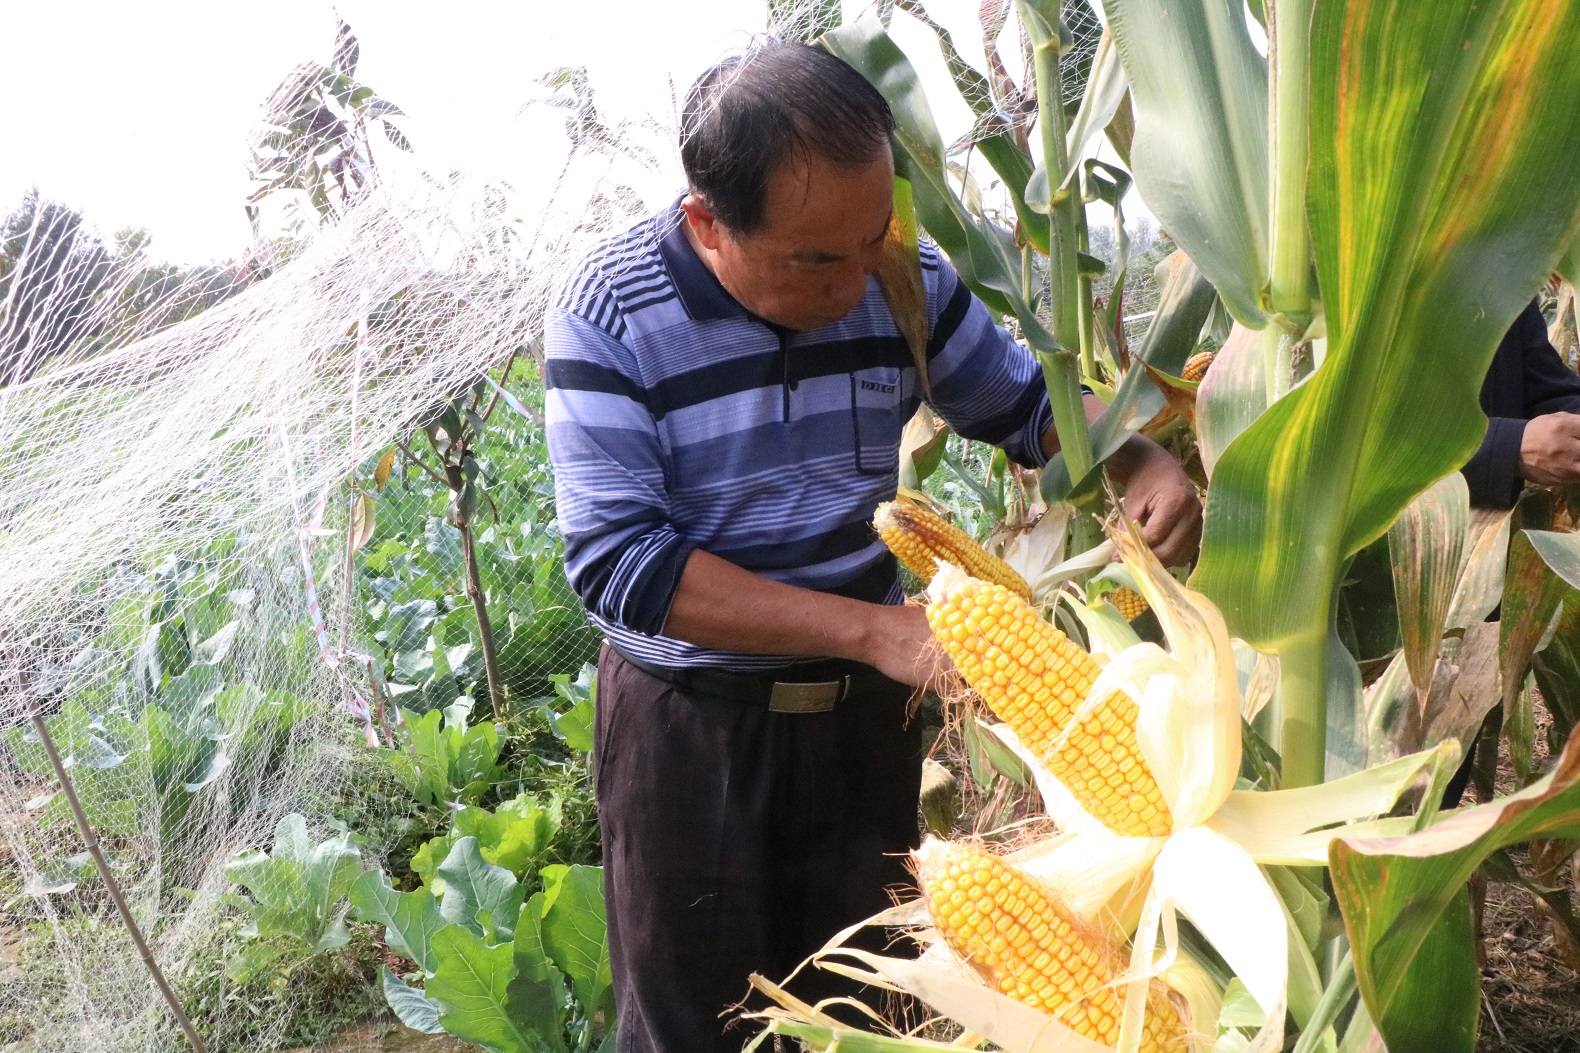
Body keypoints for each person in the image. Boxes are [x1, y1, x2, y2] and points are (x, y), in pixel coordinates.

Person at [543, 41, 1202, 1053]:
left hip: (861, 724)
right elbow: (622, 566)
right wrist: (869, 630)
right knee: (698, 1026)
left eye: (873, 237)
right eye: (819, 259)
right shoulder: (611, 312)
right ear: (707, 224)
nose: (861, 283)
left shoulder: (897, 275)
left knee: (874, 1009)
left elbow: (1026, 405)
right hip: (694, 732)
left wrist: (1135, 455)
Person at [1463, 297, 1580, 508]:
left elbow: (1545, 389)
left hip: (1496, 524)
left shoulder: (1509, 282)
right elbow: (1398, 438)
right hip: (1414, 522)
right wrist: (1510, 447)